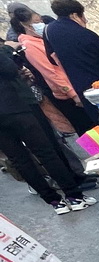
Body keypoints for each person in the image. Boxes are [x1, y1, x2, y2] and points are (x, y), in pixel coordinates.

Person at [0, 44, 94, 214]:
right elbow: (9, 70)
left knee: (19, 159)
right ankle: (74, 196)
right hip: (14, 107)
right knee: (45, 151)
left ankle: (54, 202)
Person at [9, 8, 95, 135]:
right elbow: (49, 72)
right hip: (66, 93)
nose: (41, 24)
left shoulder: (42, 39)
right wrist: (72, 93)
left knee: (94, 126)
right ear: (25, 25)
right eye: (37, 21)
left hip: (74, 85)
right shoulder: (29, 45)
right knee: (86, 130)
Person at [42, 0, 99, 124]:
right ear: (74, 15)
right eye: (83, 15)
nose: (85, 19)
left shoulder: (49, 31)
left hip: (81, 88)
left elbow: (51, 59)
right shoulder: (86, 34)